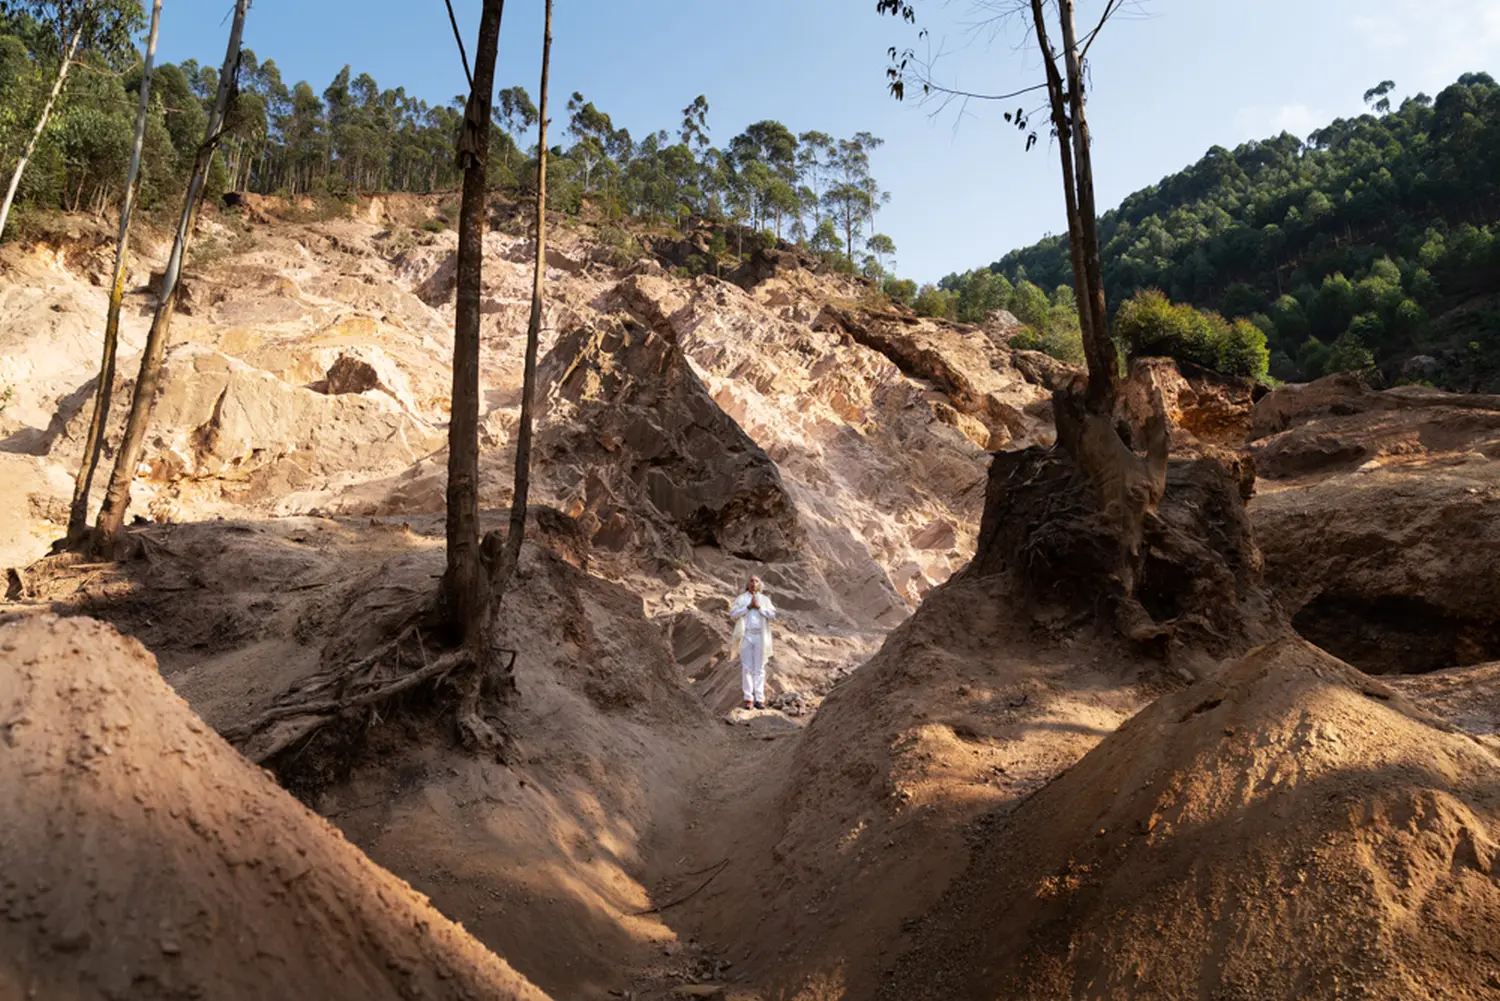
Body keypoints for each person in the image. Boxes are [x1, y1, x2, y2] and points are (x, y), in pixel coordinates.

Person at [730, 575, 777, 710]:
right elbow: (733, 615)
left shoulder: (765, 600)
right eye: (751, 581)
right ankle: (748, 699)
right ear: (748, 583)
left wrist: (759, 608)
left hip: (760, 636)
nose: (753, 583)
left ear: (759, 584)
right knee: (747, 668)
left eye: (756, 581)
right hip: (746, 635)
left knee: (760, 668)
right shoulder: (741, 599)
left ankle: (760, 699)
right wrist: (748, 607)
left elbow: (773, 615)